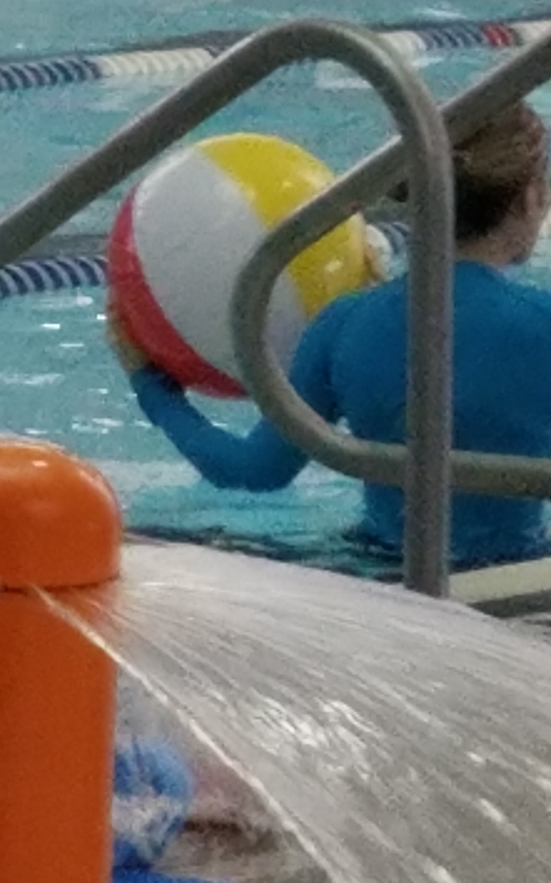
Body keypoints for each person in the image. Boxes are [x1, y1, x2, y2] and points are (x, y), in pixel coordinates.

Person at [110, 101, 551, 571]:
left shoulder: (345, 322)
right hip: (517, 580)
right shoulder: (541, 320)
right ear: (530, 198)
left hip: (376, 570)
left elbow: (254, 470)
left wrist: (151, 386)